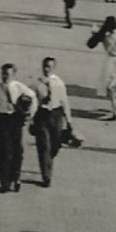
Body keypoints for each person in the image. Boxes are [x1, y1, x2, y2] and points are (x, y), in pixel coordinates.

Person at [0, 63, 37, 193]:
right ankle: (4, 182)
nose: (5, 77)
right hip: (2, 120)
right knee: (4, 151)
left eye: (8, 74)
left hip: (15, 120)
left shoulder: (19, 86)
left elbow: (33, 96)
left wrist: (30, 115)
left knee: (17, 151)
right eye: (3, 74)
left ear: (13, 75)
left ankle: (16, 177)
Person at [32, 55, 73, 186]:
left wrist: (69, 120)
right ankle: (46, 176)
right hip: (42, 115)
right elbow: (31, 101)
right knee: (43, 146)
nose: (46, 69)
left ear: (53, 68)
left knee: (55, 144)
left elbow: (64, 101)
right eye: (44, 66)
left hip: (56, 114)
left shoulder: (58, 83)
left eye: (49, 67)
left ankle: (49, 158)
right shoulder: (36, 83)